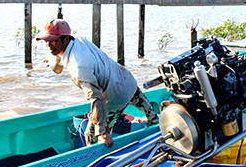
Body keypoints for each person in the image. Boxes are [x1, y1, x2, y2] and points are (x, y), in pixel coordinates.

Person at [37, 19, 158, 147]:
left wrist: (102, 132)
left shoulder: (79, 67)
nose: (49, 45)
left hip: (114, 97)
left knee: (90, 135)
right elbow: (61, 58)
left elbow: (96, 98)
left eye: (53, 41)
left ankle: (100, 158)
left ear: (65, 38)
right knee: (152, 118)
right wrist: (54, 61)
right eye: (47, 41)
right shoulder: (78, 40)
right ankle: (156, 126)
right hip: (127, 81)